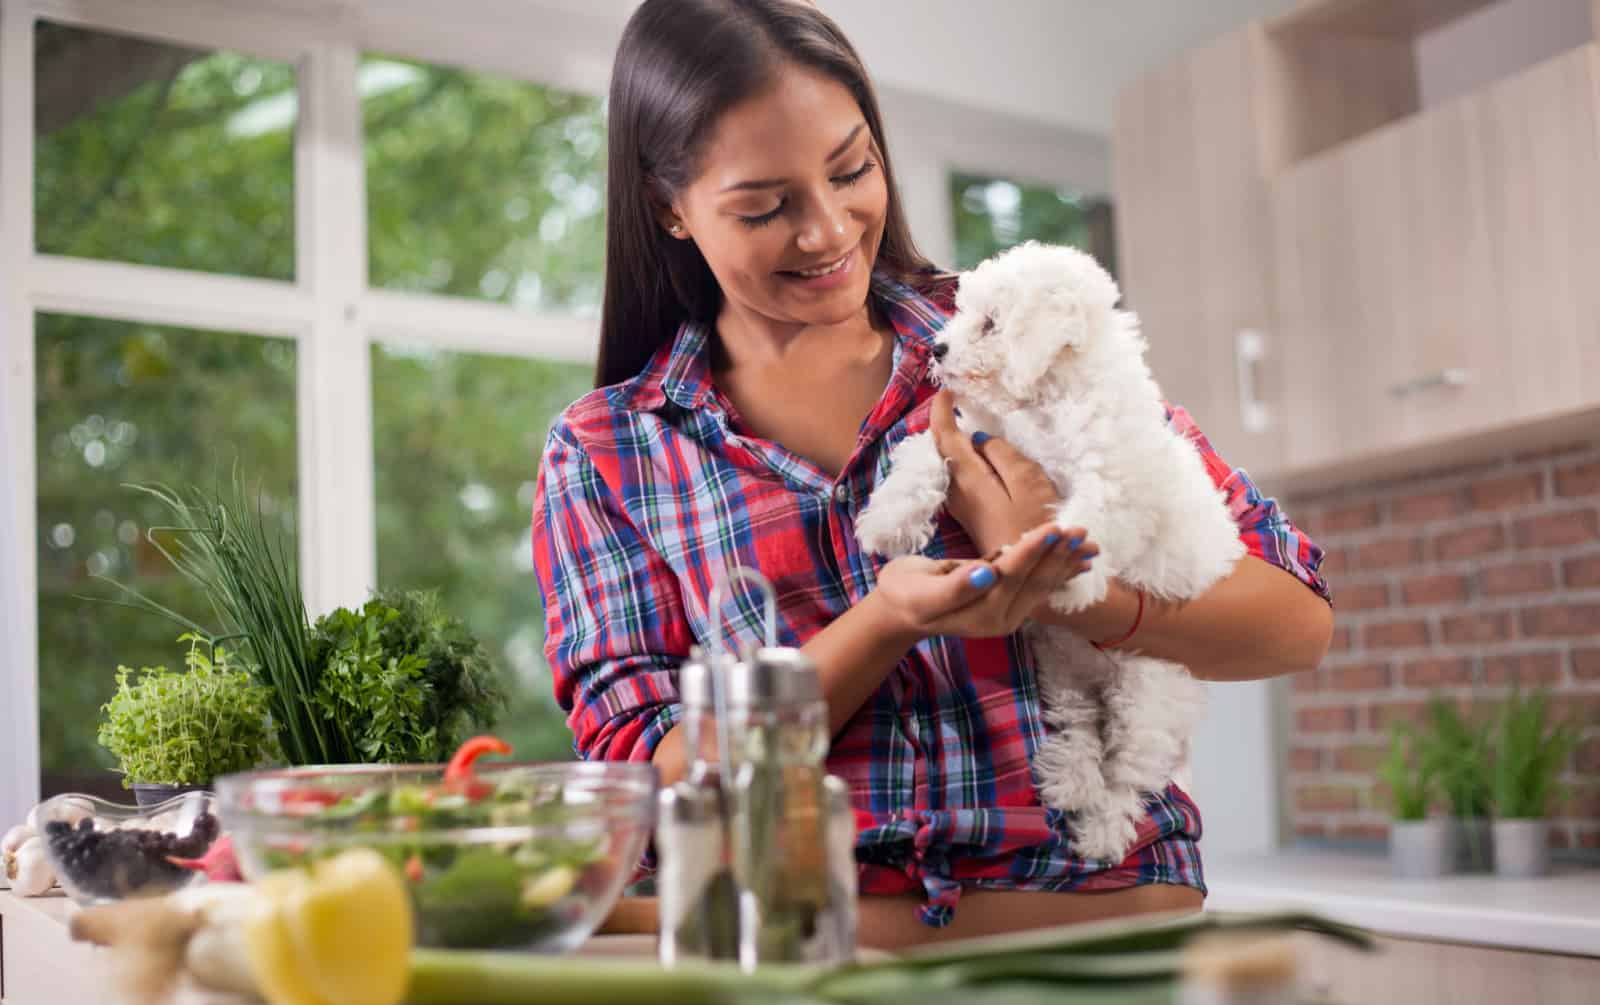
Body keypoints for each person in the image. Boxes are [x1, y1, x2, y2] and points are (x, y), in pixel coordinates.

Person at [531, 0, 1332, 949]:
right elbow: (655, 780)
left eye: (851, 169)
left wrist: (1069, 590)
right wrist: (884, 622)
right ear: (670, 205)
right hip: (807, 990)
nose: (828, 230)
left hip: (1096, 971)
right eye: (765, 206)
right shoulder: (608, 453)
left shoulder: (1007, 334)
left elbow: (1296, 621)